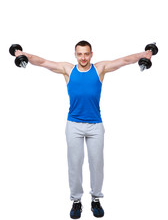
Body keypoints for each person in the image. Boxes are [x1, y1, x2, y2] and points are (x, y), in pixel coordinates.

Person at [15, 40, 152, 219]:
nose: (83, 57)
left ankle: (96, 199)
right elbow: (42, 62)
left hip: (96, 125)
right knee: (75, 164)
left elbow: (125, 60)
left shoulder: (100, 69)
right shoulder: (68, 70)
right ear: (75, 55)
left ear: (91, 54)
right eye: (80, 54)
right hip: (73, 125)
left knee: (97, 164)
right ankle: (76, 201)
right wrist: (20, 53)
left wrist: (145, 54)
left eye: (86, 54)